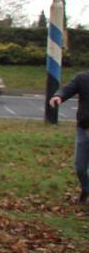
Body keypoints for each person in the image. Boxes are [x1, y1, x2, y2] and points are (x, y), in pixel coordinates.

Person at [49, 69, 89, 205]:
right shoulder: (82, 78)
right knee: (80, 167)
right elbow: (68, 89)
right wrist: (58, 96)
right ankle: (86, 189)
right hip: (83, 129)